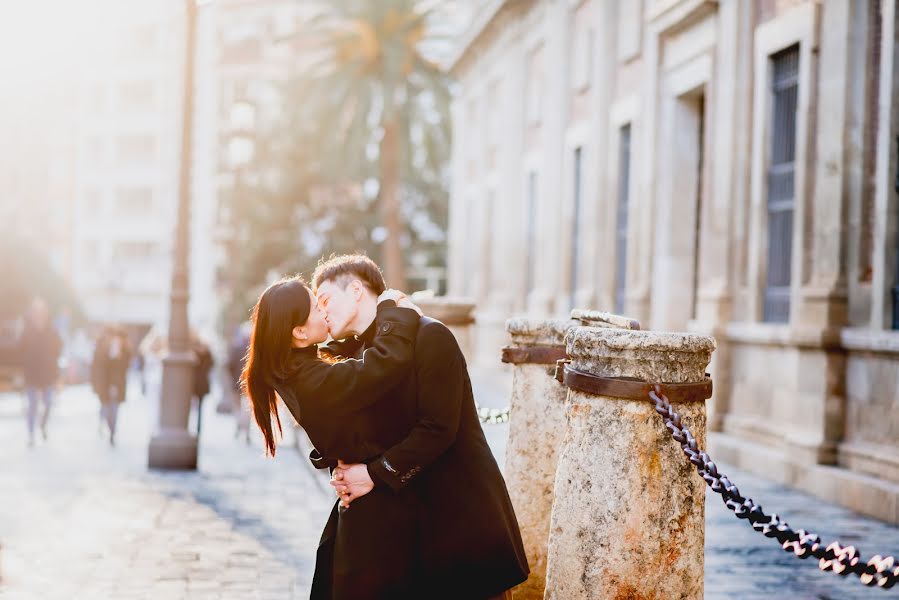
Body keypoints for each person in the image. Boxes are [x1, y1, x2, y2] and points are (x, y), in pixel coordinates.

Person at [315, 255, 528, 600]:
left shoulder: (431, 335)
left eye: (325, 300)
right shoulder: (365, 354)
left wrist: (372, 474)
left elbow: (438, 427)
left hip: (457, 518)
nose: (322, 311)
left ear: (356, 290)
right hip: (408, 526)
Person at [241, 276, 423, 600]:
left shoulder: (292, 365)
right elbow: (379, 368)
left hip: (364, 491)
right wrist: (399, 314)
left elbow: (339, 354)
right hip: (373, 503)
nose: (323, 309)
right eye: (315, 307)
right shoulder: (311, 380)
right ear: (298, 332)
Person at [18, 298, 62, 447]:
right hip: (31, 375)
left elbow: (58, 350)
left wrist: (56, 373)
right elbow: (20, 351)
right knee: (32, 406)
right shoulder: (27, 331)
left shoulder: (52, 331)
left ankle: (42, 425)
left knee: (49, 403)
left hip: (48, 375)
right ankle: (31, 435)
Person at [91, 325, 132, 447]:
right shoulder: (100, 348)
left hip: (116, 385)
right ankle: (106, 426)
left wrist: (118, 355)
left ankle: (112, 432)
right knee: (106, 407)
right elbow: (97, 367)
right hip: (104, 384)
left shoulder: (123, 350)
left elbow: (124, 367)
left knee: (114, 410)